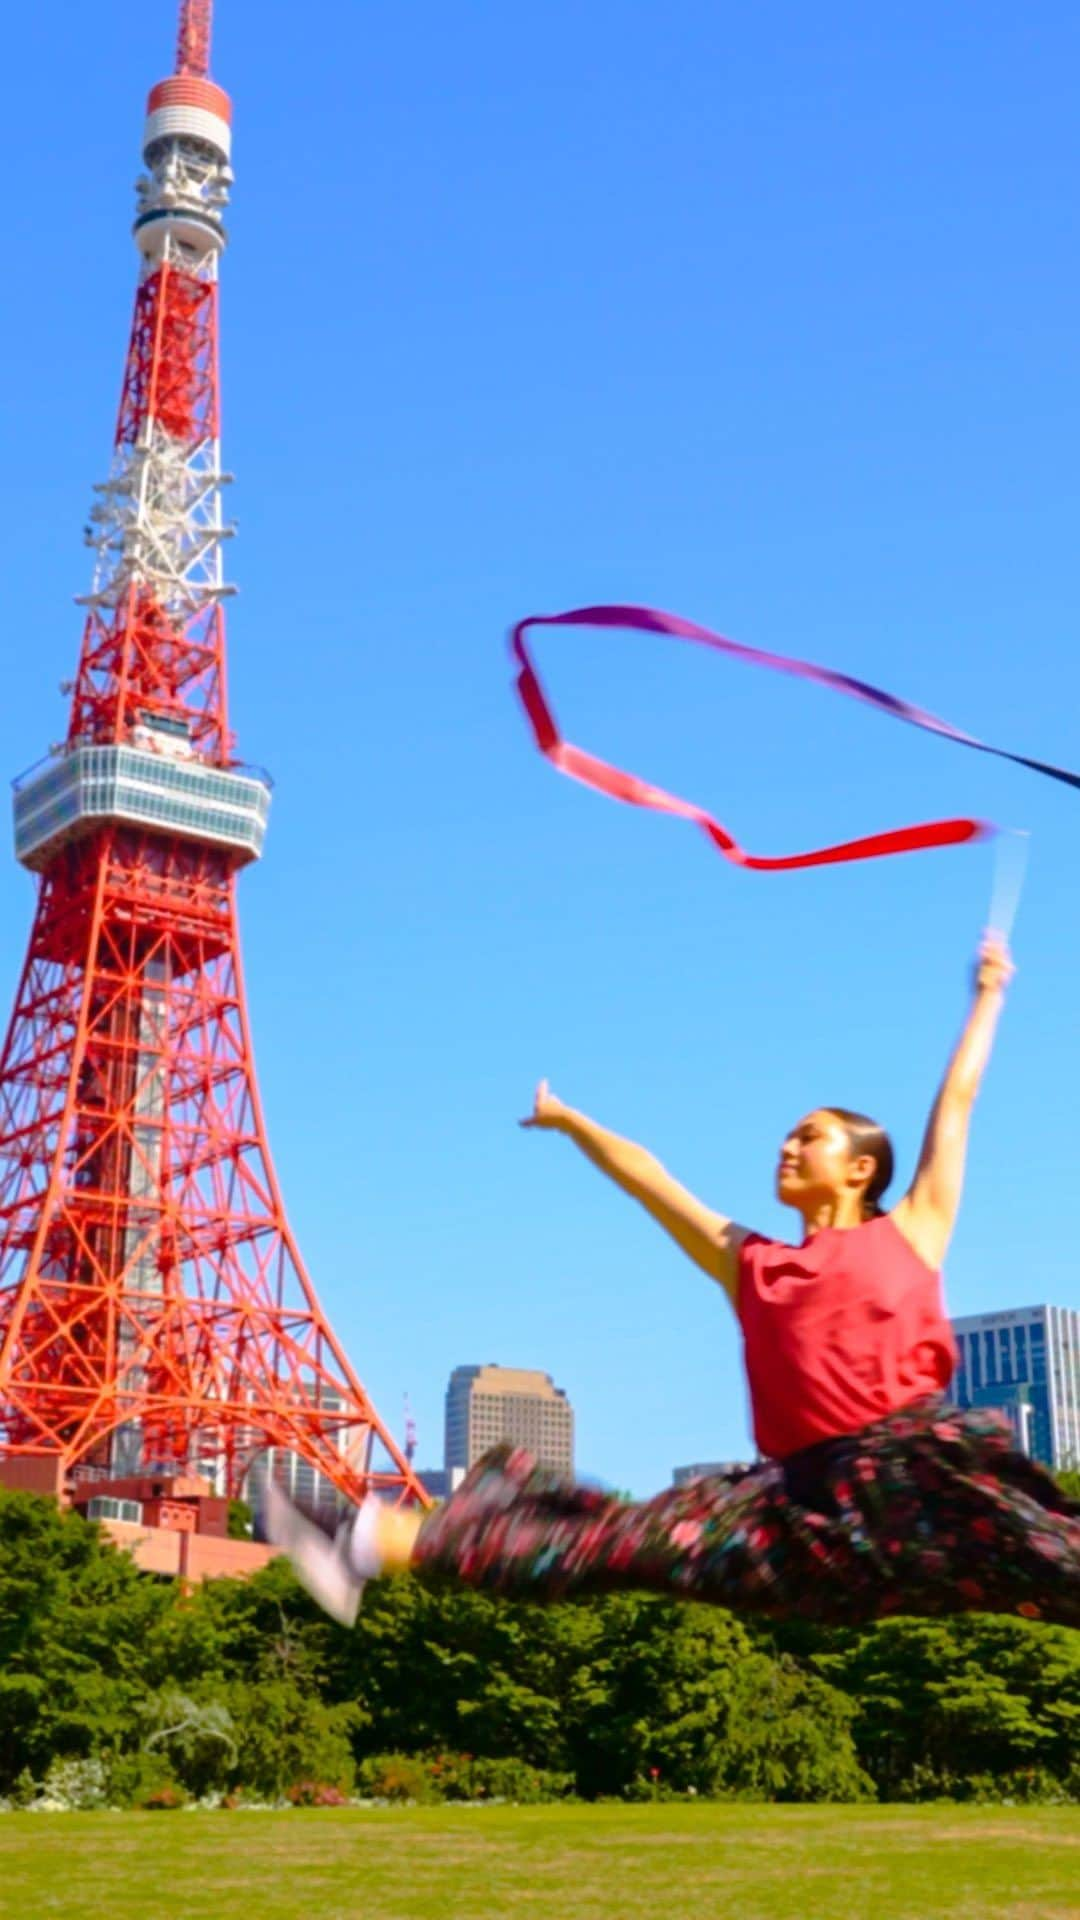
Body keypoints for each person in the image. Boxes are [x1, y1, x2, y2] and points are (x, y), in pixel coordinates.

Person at [264, 933, 1080, 1630]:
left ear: (862, 1167)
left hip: (919, 1484)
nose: (787, 1147)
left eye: (812, 1137)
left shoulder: (912, 1229)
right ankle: (363, 1539)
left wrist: (988, 996)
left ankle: (366, 1542)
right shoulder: (752, 1262)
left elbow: (958, 1102)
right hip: (798, 1508)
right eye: (787, 1137)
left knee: (1062, 1560)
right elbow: (651, 1182)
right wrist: (575, 1123)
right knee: (620, 1541)